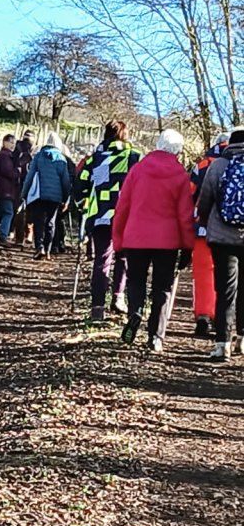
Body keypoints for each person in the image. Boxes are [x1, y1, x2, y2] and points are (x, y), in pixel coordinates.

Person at [113, 128, 195, 353]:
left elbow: (122, 207)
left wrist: (118, 240)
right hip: (167, 241)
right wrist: (188, 246)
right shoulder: (180, 174)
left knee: (135, 280)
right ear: (178, 150)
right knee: (162, 287)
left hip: (136, 237)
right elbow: (185, 215)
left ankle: (135, 312)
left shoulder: (137, 170)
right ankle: (156, 336)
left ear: (157, 144)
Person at [77, 120, 141, 321]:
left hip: (99, 216)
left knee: (101, 260)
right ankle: (118, 298)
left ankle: (97, 307)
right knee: (123, 258)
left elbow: (80, 186)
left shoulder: (94, 158)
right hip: (126, 216)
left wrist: (82, 205)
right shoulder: (134, 157)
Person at [197, 126, 244, 362]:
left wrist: (206, 223)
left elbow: (204, 200)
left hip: (222, 238)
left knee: (225, 289)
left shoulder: (218, 165)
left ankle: (222, 344)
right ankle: (242, 340)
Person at [190, 133, 228, 338]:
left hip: (203, 229)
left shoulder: (203, 164)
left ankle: (204, 314)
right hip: (233, 231)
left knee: (203, 274)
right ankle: (225, 319)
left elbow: (190, 194)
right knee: (230, 276)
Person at [21, 132, 71, 259]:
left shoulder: (38, 156)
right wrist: (66, 198)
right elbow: (65, 181)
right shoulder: (62, 159)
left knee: (39, 222)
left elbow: (30, 176)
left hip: (39, 195)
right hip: (55, 197)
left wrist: (24, 193)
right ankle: (48, 250)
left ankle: (39, 247)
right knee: (51, 222)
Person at [13, 129, 36, 245]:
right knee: (27, 211)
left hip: (19, 184)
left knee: (19, 211)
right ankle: (27, 234)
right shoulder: (25, 151)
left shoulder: (16, 150)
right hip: (26, 184)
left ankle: (20, 237)